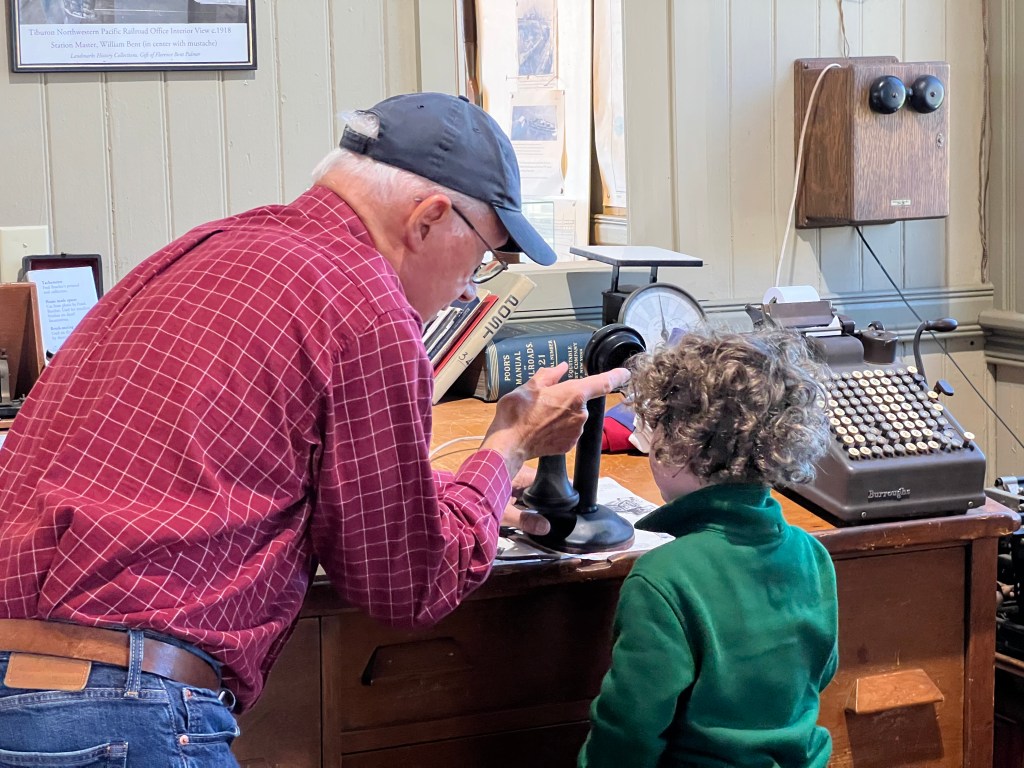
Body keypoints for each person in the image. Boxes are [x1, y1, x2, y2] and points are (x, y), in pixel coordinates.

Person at [0, 92, 628, 765]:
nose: (471, 288)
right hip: (121, 711)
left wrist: (461, 488)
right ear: (428, 218)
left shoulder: (203, 248)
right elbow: (407, 583)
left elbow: (222, 465)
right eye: (482, 257)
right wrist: (507, 444)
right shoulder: (369, 307)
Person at [578, 326, 839, 768]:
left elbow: (629, 729)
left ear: (679, 446)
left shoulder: (661, 578)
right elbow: (821, 671)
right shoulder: (812, 555)